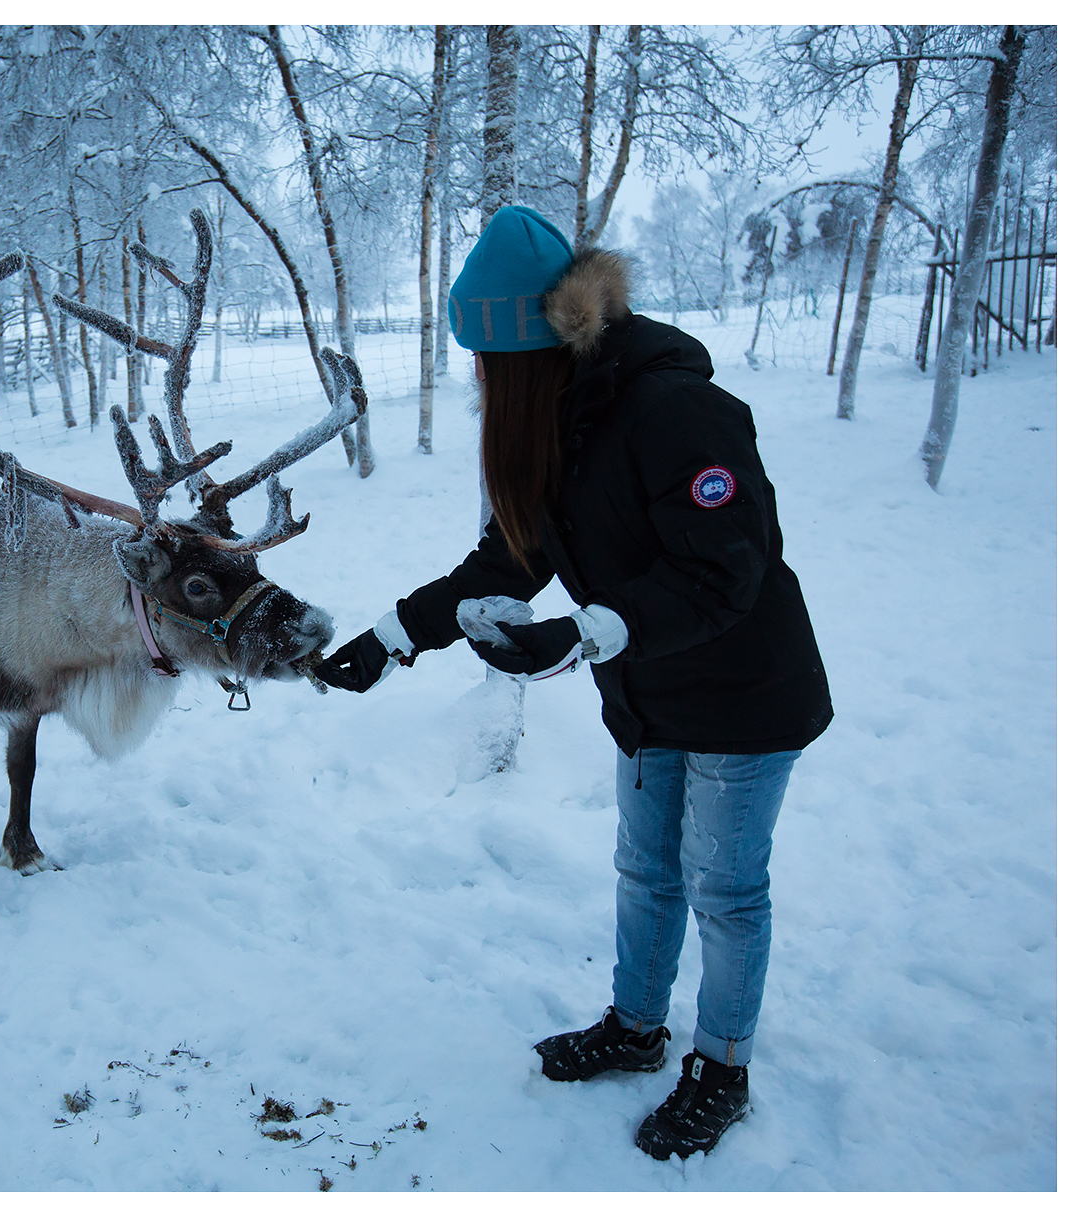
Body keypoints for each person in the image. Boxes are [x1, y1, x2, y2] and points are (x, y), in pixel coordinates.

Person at [315, 205, 832, 1161]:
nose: (476, 378)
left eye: (484, 359)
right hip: (650, 690)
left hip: (745, 691)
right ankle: (637, 1027)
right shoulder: (555, 422)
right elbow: (506, 565)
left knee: (722, 887)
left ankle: (720, 1066)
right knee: (645, 870)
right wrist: (394, 639)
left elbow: (728, 568)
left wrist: (588, 631)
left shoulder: (675, 410)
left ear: (535, 344)